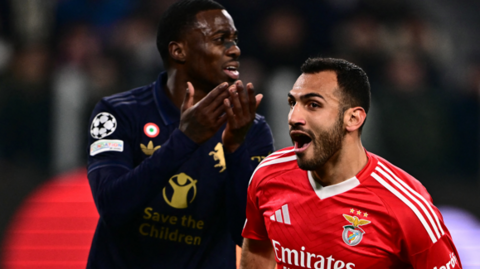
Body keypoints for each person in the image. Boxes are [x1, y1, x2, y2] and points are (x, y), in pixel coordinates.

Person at [86, 0, 274, 268]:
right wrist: (185, 140)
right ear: (178, 50)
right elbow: (112, 207)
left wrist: (235, 150)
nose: (235, 49)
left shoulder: (250, 129)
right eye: (221, 39)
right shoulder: (117, 113)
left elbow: (245, 237)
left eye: (234, 39)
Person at [240, 57, 462, 268]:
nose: (293, 117)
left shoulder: (406, 206)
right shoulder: (269, 174)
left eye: (313, 105)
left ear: (353, 118)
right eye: (293, 103)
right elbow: (257, 252)